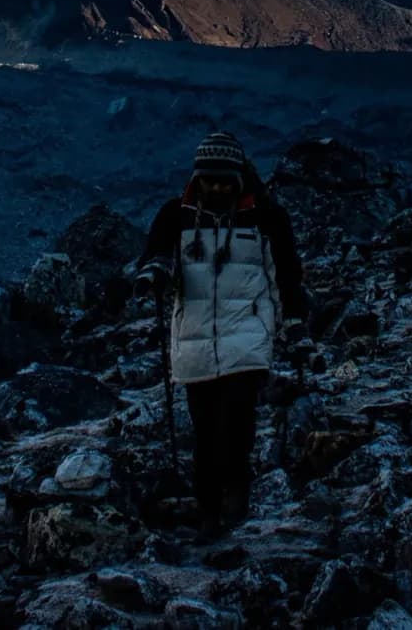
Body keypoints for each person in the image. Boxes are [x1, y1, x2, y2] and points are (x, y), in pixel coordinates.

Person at [134, 130, 306, 537]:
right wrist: (153, 275)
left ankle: (233, 496)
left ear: (239, 177)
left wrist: (294, 326)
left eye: (224, 179)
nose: (216, 187)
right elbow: (153, 258)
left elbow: (286, 278)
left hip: (247, 336)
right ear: (197, 178)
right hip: (194, 344)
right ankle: (210, 512)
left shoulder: (265, 218)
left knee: (235, 423)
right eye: (209, 179)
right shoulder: (174, 217)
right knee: (206, 430)